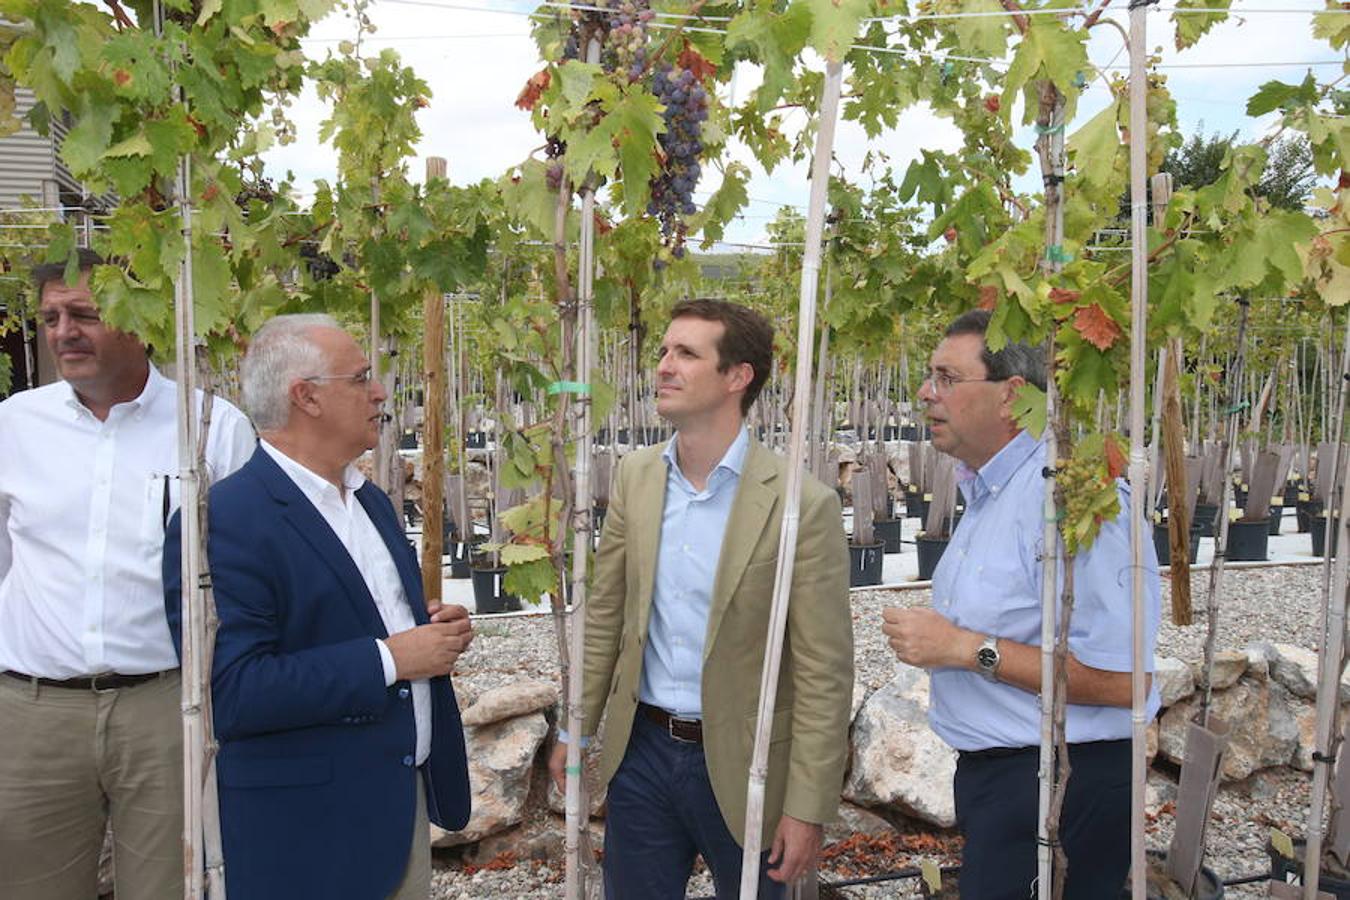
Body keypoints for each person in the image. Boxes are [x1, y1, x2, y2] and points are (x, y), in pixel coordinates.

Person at [548, 299, 853, 899]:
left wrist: (807, 805)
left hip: (751, 765)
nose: (663, 365)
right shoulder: (635, 477)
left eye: (686, 353)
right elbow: (606, 616)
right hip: (642, 755)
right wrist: (575, 730)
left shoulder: (802, 505)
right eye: (664, 350)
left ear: (737, 377)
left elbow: (823, 669)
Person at [164, 313, 473, 899]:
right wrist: (392, 658)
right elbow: (231, 692)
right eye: (360, 379)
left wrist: (434, 630)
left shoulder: (371, 502)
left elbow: (359, 619)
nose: (380, 392)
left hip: (395, 804)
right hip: (307, 832)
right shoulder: (224, 523)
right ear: (305, 397)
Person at [0, 248, 256, 900]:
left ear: (139, 316)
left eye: (83, 314)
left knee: (171, 889)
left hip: (167, 709)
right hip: (33, 715)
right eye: (52, 316)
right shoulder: (13, 427)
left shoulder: (211, 431)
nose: (63, 332)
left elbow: (245, 578)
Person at [881, 309, 1160, 899]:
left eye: (947, 378)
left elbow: (1124, 681)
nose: (927, 393)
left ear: (1011, 395)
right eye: (930, 377)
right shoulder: (987, 491)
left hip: (1062, 784)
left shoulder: (1076, 497)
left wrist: (963, 648)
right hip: (1006, 782)